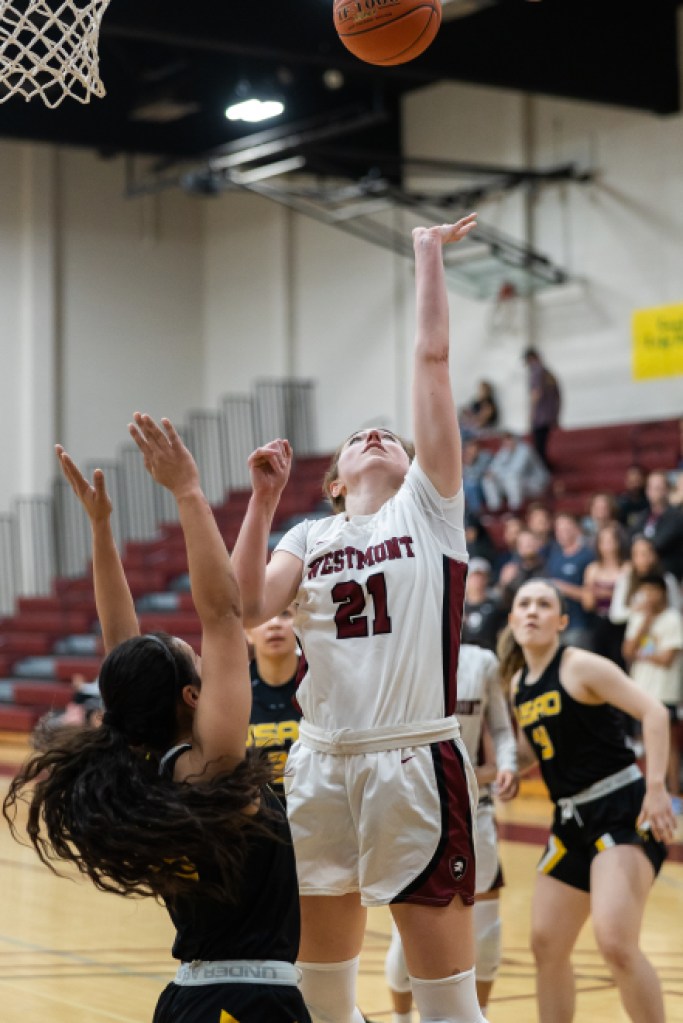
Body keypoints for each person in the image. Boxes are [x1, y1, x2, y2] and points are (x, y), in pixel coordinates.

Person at [232, 215, 488, 1023]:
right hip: (318, 763)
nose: (374, 434)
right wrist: (263, 500)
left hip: (410, 756)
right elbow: (245, 606)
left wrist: (426, 253)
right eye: (355, 438)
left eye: (389, 436)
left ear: (414, 466)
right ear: (335, 480)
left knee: (445, 1004)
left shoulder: (429, 509)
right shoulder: (308, 534)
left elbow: (432, 360)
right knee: (321, 999)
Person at [4, 416, 312, 1023]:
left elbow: (122, 650)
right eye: (192, 656)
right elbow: (222, 614)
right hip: (247, 1003)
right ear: (194, 697)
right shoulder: (211, 766)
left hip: (188, 998)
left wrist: (102, 530)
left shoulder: (146, 770)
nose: (201, 651)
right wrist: (188, 492)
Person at [499, 578, 675, 1023]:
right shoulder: (520, 683)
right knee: (546, 943)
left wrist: (657, 788)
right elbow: (532, 749)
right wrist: (499, 769)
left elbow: (654, 713)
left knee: (615, 942)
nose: (533, 611)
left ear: (561, 621)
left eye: (544, 604)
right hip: (569, 819)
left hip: (620, 808)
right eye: (525, 604)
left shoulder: (579, 666)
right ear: (513, 619)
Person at [384, 643, 519, 1023]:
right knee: (407, 937)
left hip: (474, 806)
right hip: (414, 804)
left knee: (487, 935)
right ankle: (401, 1019)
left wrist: (507, 766)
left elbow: (501, 728)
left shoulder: (481, 661)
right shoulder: (396, 652)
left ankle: (480, 1015)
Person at [623, 574, 683, 815]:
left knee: (669, 746)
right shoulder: (638, 617)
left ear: (663, 592)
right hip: (641, 691)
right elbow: (627, 651)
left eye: (652, 591)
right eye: (644, 591)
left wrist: (643, 654)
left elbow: (667, 658)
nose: (648, 596)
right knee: (646, 744)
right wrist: (645, 624)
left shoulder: (673, 619)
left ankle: (675, 794)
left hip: (664, 691)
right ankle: (652, 793)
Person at [247, 606, 302, 805]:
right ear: (247, 632)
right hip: (258, 815)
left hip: (316, 810)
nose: (274, 624)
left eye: (285, 614)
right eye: (264, 617)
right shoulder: (234, 691)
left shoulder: (321, 683)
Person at [543, 513, 595, 649]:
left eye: (566, 528)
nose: (562, 533)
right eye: (559, 530)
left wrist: (563, 588)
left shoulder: (587, 556)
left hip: (579, 624)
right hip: (556, 625)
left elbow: (590, 594)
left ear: (576, 529)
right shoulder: (554, 556)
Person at [581, 522, 629, 666]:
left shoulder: (627, 568)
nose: (607, 545)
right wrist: (609, 593)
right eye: (603, 541)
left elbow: (629, 598)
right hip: (599, 621)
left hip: (622, 622)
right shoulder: (592, 569)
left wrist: (603, 593)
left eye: (611, 540)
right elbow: (588, 603)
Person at [609, 533, 681, 626]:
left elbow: (676, 610)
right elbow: (615, 614)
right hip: (632, 629)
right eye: (638, 554)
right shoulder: (625, 580)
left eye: (646, 553)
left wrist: (658, 610)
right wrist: (636, 610)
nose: (643, 559)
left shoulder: (668, 580)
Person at [630, 469, 683, 580]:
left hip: (667, 574)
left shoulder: (676, 517)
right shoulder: (642, 516)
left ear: (667, 490)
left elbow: (660, 543)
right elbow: (632, 538)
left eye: (658, 487)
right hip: (641, 573)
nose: (654, 491)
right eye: (651, 487)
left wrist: (641, 546)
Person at [480, 431, 549, 512]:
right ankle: (495, 509)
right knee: (487, 479)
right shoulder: (504, 451)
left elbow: (516, 471)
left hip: (537, 484)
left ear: (516, 439)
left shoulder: (525, 450)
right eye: (505, 440)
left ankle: (515, 509)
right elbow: (493, 468)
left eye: (509, 439)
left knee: (511, 478)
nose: (507, 442)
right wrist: (491, 473)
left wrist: (495, 473)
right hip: (518, 483)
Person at [522, 347, 561, 469]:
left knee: (539, 448)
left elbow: (536, 393)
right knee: (543, 446)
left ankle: (543, 472)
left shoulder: (536, 371)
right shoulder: (547, 372)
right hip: (549, 415)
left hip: (540, 416)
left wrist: (531, 413)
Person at [462, 558, 505, 653]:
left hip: (489, 654)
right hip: (463, 656)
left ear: (487, 579)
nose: (477, 581)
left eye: (481, 577)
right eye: (473, 577)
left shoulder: (497, 607)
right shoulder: (458, 608)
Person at [461, 439, 492, 516]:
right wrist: (468, 464)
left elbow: (477, 475)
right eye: (468, 449)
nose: (471, 452)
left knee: (470, 485)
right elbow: (466, 476)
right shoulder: (467, 459)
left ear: (478, 449)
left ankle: (476, 513)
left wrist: (471, 463)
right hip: (472, 487)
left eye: (473, 449)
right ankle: (469, 512)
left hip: (484, 487)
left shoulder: (485, 456)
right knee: (464, 485)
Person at [615, 465, 649, 531]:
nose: (635, 486)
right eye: (632, 482)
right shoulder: (620, 503)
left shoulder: (650, 502)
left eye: (637, 481)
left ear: (644, 480)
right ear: (626, 481)